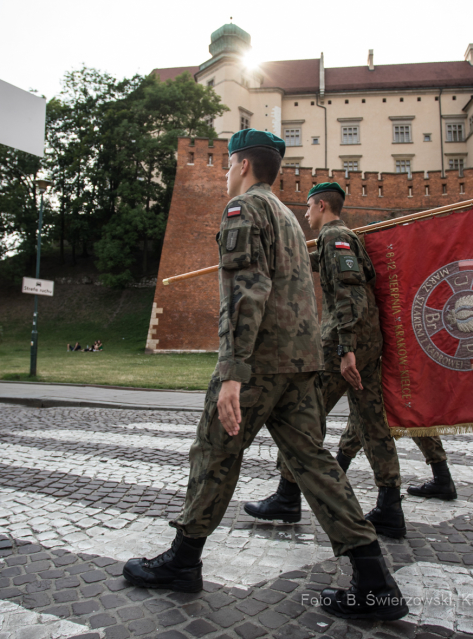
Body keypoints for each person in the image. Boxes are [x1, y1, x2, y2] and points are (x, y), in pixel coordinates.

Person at [121, 130, 407, 622]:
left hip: (259, 362)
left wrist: (232, 371)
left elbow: (246, 292)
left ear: (242, 165)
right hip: (301, 361)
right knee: (313, 462)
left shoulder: (244, 209)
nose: (225, 174)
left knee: (214, 451)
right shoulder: (289, 218)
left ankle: (183, 561)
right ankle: (374, 579)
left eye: (228, 164)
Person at [243, 181, 410, 538]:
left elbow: (349, 293)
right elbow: (323, 267)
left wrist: (346, 348)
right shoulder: (341, 239)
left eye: (308, 207)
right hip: (367, 344)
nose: (305, 214)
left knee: (302, 413)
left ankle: (288, 496)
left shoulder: (335, 238)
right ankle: (390, 504)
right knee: (371, 422)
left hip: (342, 346)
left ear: (321, 205)